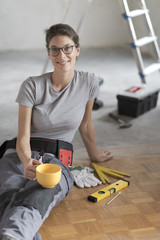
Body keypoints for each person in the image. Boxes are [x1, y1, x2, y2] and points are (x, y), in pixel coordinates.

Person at [0, 23, 113, 240]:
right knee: (7, 195)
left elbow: (86, 124)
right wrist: (25, 162)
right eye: (55, 49)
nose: (61, 55)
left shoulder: (88, 82)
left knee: (39, 195)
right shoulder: (31, 86)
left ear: (77, 49)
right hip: (19, 156)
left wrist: (95, 156)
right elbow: (22, 136)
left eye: (67, 48)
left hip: (57, 162)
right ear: (49, 52)